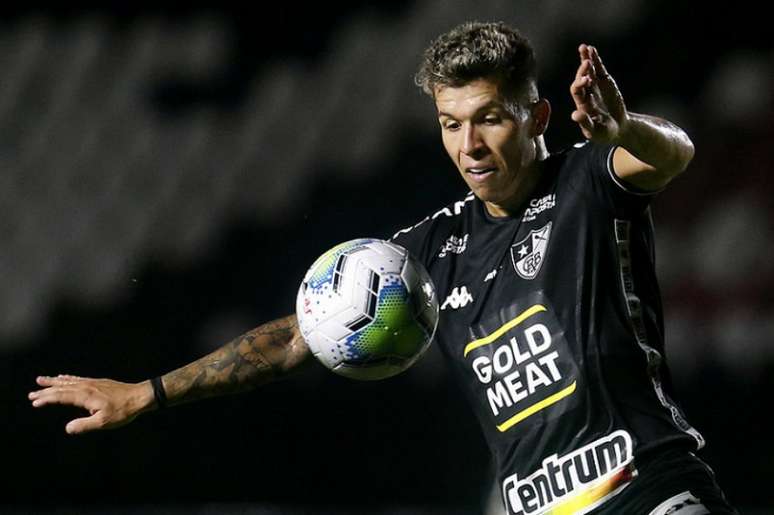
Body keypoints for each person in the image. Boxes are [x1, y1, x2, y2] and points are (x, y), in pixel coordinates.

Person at [28, 21, 737, 515]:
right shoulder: (428, 250)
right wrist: (147, 393)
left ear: (537, 115)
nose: (470, 145)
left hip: (651, 491)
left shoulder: (588, 181)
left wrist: (625, 128)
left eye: (489, 117)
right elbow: (293, 338)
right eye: (450, 123)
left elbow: (673, 153)